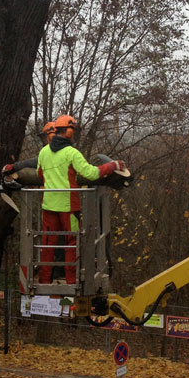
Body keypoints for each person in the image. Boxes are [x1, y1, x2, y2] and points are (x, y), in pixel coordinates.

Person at [37, 115, 125, 284]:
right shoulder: (71, 153)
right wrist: (113, 166)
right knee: (71, 244)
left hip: (48, 205)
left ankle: (43, 280)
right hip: (69, 207)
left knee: (48, 244)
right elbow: (91, 174)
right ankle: (71, 281)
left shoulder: (43, 152)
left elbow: (40, 175)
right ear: (69, 132)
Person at [1, 121, 56, 189]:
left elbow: (36, 162)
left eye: (45, 137)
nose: (44, 141)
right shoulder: (50, 151)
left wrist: (14, 167)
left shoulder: (56, 152)